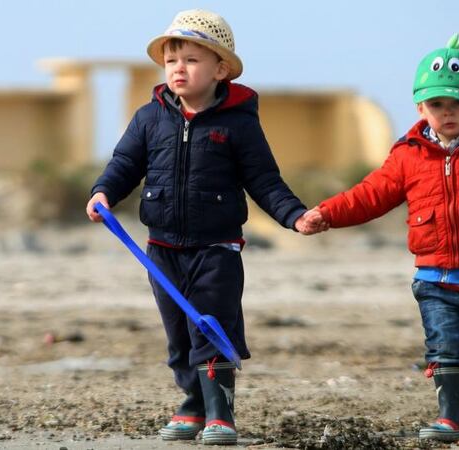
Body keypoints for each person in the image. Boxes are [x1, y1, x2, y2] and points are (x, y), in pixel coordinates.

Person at [85, 9, 321, 445]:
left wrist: (294, 215)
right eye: (172, 59)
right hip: (161, 248)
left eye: (192, 60)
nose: (179, 68)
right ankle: (193, 404)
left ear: (221, 69)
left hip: (217, 249)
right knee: (179, 334)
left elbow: (265, 181)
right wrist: (103, 192)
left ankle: (220, 412)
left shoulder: (239, 123)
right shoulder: (149, 118)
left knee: (210, 326)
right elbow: (124, 164)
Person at [307, 34, 459, 441]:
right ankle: (454, 418)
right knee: (446, 348)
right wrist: (327, 213)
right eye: (437, 105)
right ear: (420, 107)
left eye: (457, 103)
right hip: (435, 282)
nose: (447, 113)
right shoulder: (408, 155)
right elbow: (370, 194)